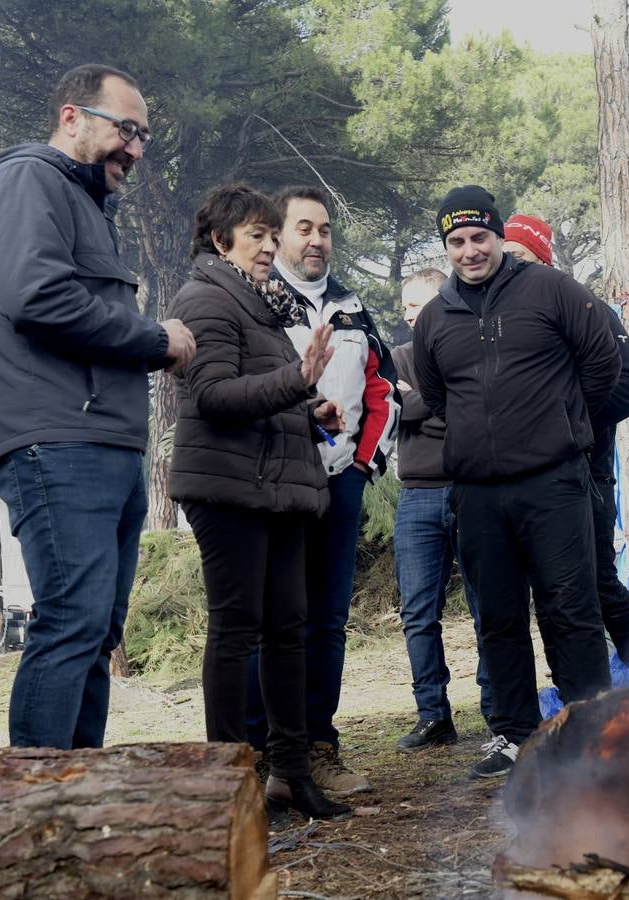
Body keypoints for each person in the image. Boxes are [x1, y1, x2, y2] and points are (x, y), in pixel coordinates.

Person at [0, 64, 195, 749]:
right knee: (73, 619)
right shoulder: (26, 181)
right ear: (71, 117)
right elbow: (38, 299)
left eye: (144, 136)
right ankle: (35, 808)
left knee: (97, 628)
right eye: (127, 129)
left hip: (103, 444)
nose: (136, 150)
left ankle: (78, 807)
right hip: (54, 441)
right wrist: (154, 339)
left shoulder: (84, 204)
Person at [412, 185, 621, 779]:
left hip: (554, 482)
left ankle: (590, 733)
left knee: (571, 609)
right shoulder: (433, 319)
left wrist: (562, 422)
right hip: (477, 494)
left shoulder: (552, 290)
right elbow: (435, 397)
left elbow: (602, 363)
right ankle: (514, 735)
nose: (470, 251)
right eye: (457, 241)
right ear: (446, 247)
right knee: (497, 617)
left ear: (499, 236)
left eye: (480, 237)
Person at [168, 183, 350, 821]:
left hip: (275, 487)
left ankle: (290, 774)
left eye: (275, 237)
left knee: (288, 632)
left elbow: (264, 395)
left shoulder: (261, 306)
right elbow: (215, 396)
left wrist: (310, 410)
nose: (271, 247)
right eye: (258, 237)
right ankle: (230, 783)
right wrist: (295, 380)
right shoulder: (205, 299)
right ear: (221, 242)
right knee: (238, 629)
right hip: (229, 490)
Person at [244, 185, 399, 795]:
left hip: (341, 485)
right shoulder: (255, 299)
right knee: (272, 621)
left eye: (325, 229)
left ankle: (318, 746)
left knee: (327, 623)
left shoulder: (353, 307)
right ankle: (258, 753)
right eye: (303, 228)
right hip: (279, 484)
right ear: (278, 236)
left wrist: (363, 467)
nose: (316, 240)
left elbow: (382, 390)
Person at [503, 214, 629, 683]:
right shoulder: (507, 320)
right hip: (532, 481)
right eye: (505, 257)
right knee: (549, 591)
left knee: (596, 582)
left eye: (519, 257)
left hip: (586, 474)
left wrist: (564, 423)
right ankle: (576, 693)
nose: (509, 267)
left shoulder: (586, 307)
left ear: (543, 260)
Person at [392, 267, 493, 751]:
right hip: (417, 496)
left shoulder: (470, 355)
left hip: (472, 491)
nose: (410, 314)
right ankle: (433, 715)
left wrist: (422, 406)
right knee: (418, 613)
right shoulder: (394, 360)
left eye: (418, 303)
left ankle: (499, 711)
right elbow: (398, 412)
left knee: (487, 605)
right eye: (405, 305)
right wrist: (438, 410)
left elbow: (470, 419)